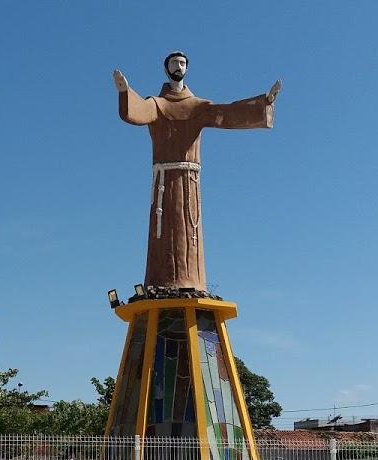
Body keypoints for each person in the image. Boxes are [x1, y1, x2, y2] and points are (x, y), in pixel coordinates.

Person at [114, 52, 281, 291]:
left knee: (190, 231)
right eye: (174, 63)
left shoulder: (198, 106)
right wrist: (125, 92)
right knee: (163, 234)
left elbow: (228, 113)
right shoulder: (157, 105)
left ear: (187, 69)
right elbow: (138, 110)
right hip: (164, 180)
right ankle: (160, 281)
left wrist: (264, 102)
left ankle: (191, 281)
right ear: (166, 69)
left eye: (182, 63)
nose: (178, 67)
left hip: (189, 180)